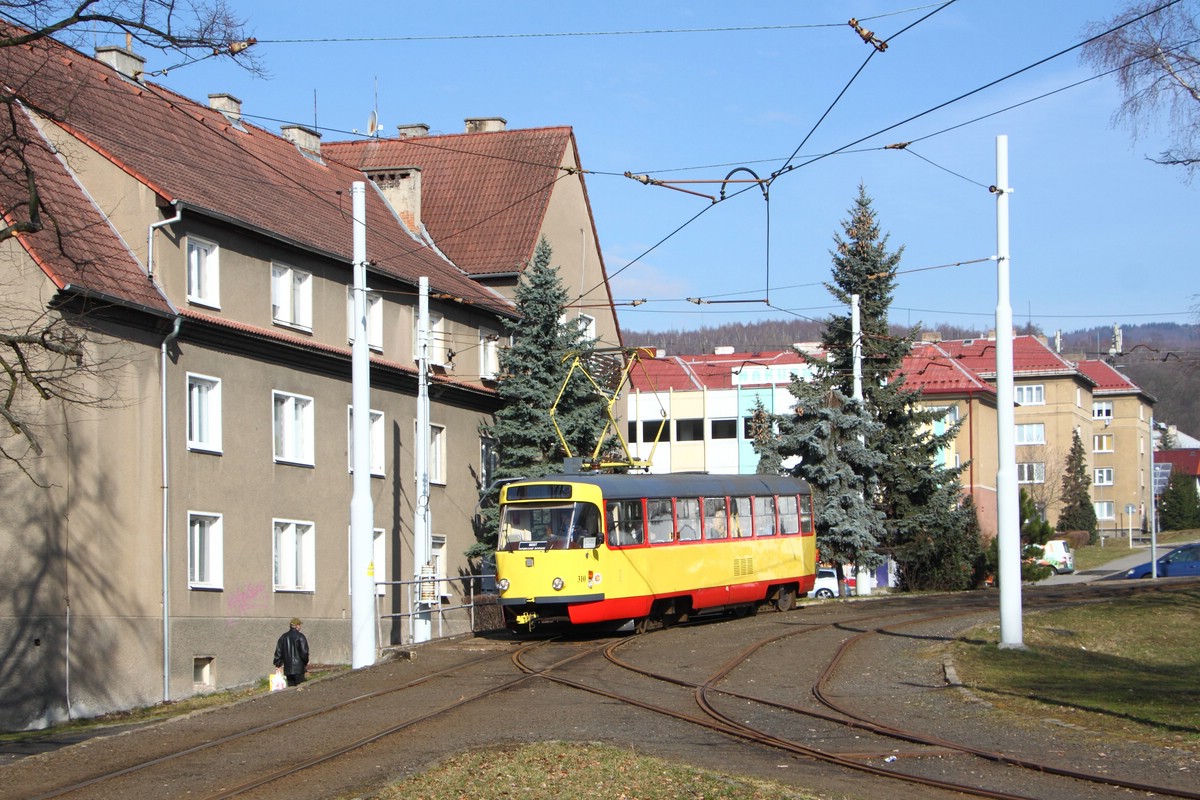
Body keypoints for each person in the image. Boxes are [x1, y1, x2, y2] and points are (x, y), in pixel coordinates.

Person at [273, 617, 309, 686]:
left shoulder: (283, 637)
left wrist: (278, 664)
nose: (300, 627)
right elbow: (304, 652)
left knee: (291, 688)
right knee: (300, 687)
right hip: (299, 668)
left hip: (288, 668)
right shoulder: (300, 636)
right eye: (300, 625)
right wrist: (305, 662)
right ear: (297, 625)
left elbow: (278, 652)